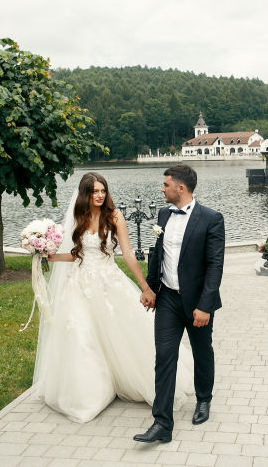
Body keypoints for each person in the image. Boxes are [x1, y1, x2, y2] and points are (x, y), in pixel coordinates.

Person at [33, 172, 194, 423]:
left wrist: (144, 287)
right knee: (82, 336)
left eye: (103, 190)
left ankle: (129, 380)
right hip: (80, 284)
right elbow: (76, 254)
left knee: (120, 334)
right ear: (85, 194)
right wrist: (50, 255)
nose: (99, 195)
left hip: (108, 283)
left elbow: (128, 254)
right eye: (95, 191)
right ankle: (89, 393)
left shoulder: (115, 217)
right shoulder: (79, 217)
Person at [134, 164, 225, 444]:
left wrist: (205, 306)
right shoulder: (163, 214)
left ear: (180, 188)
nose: (162, 189)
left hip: (197, 301)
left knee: (201, 351)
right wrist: (150, 288)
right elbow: (156, 253)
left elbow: (215, 265)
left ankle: (204, 399)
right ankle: (162, 423)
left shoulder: (211, 218)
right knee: (164, 357)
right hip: (168, 300)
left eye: (165, 185)